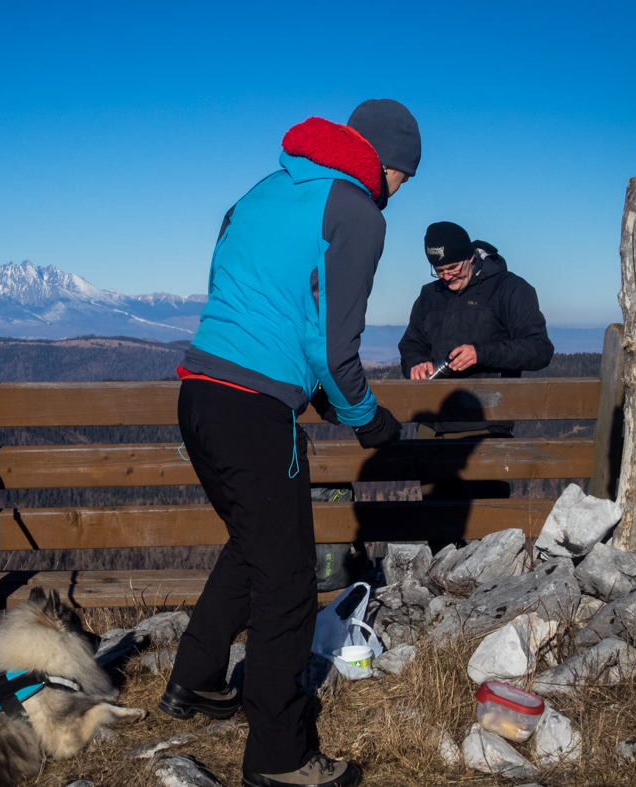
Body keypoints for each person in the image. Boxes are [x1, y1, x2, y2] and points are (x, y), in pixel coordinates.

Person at [158, 99, 420, 787]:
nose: (398, 194)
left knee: (254, 543)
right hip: (254, 408)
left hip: (198, 390)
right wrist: (365, 417)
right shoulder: (357, 211)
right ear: (387, 164)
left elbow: (275, 306)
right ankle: (280, 756)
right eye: (404, 179)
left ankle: (195, 680)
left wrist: (329, 395)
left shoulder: (263, 190)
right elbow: (338, 342)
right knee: (289, 579)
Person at [398, 220, 553, 495]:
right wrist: (415, 363)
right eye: (439, 271)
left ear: (470, 257)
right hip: (432, 430)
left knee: (487, 527)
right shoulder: (428, 295)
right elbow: (411, 344)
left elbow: (539, 349)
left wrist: (481, 353)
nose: (446, 278)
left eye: (453, 269)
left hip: (484, 430)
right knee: (438, 528)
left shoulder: (509, 289)